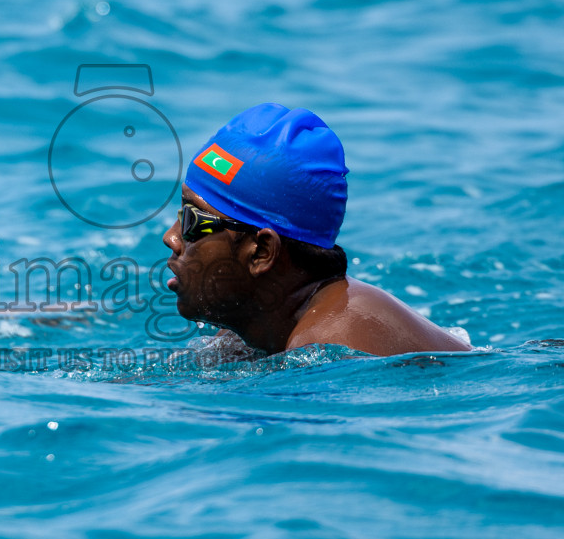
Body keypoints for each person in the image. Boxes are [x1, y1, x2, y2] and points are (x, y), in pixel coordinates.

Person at [162, 103, 469, 358]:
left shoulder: (336, 344)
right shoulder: (252, 327)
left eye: (193, 220)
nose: (171, 237)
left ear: (262, 252)